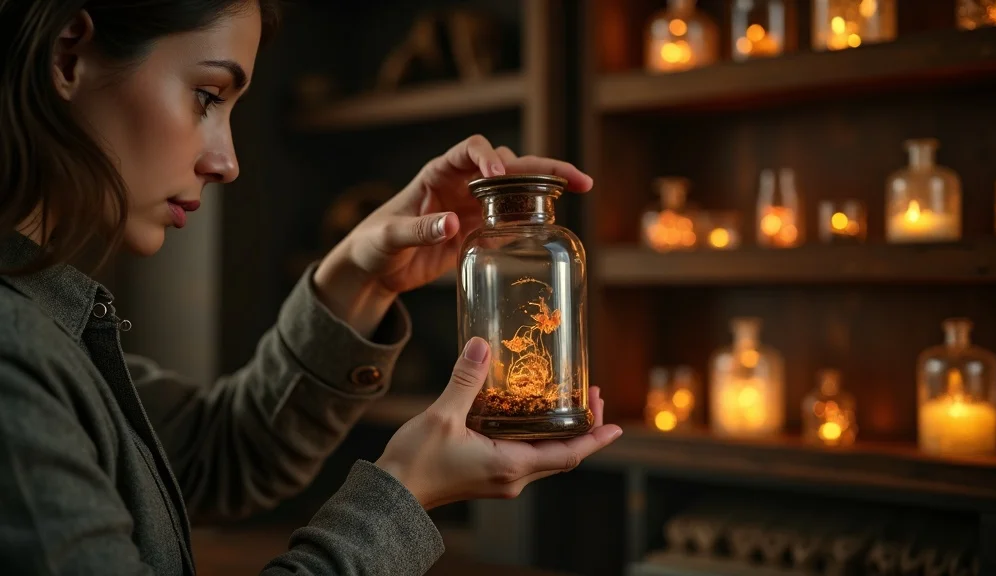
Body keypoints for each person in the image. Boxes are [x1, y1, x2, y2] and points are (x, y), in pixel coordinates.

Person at [0, 1, 623, 575]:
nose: (228, 162)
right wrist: (404, 494)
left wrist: (360, 272)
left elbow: (218, 455)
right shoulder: (15, 349)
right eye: (207, 96)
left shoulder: (44, 313)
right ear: (68, 56)